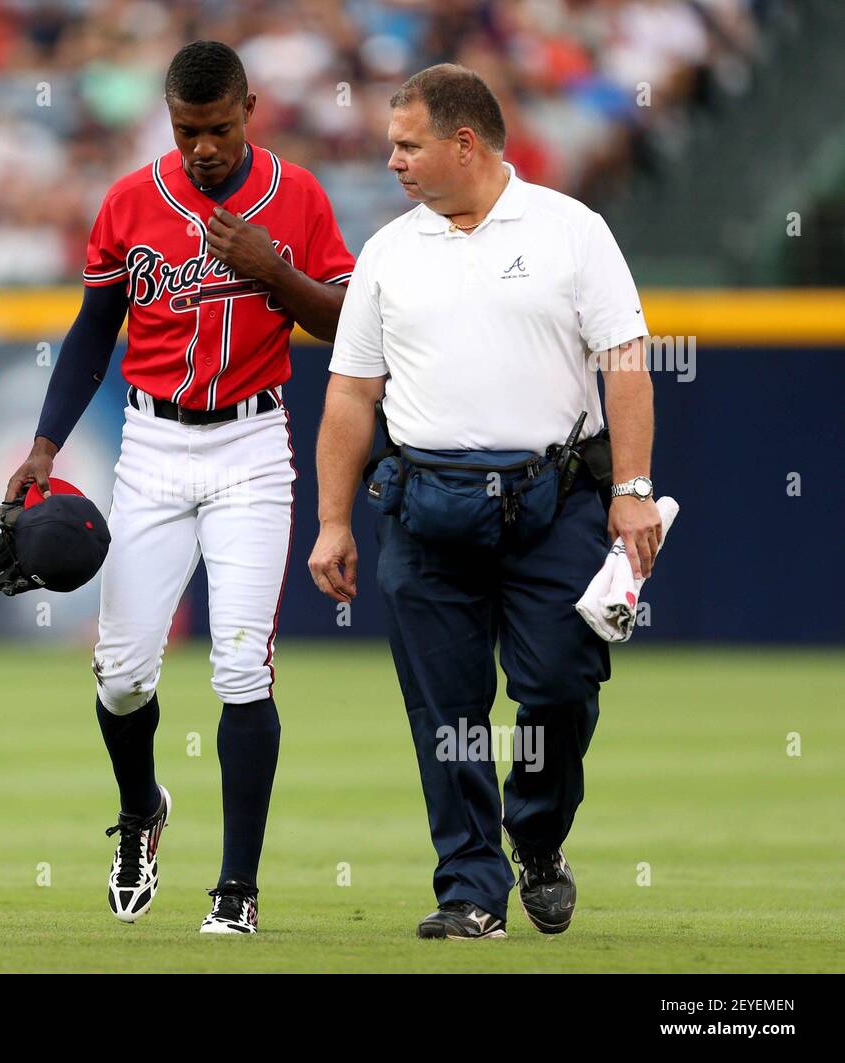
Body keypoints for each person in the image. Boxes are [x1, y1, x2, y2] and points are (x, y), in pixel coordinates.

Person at [5, 41, 353, 934]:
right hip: (153, 444)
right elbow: (92, 332)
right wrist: (46, 446)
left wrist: (273, 268)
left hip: (250, 442)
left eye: (219, 128)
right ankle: (141, 811)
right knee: (121, 675)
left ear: (250, 112)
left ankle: (236, 889)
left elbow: (349, 325)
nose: (202, 146)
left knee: (242, 665)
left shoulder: (299, 196)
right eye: (187, 128)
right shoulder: (130, 200)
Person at [309, 64, 661, 940]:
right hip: (426, 507)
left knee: (560, 685)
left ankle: (537, 835)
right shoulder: (389, 250)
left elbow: (626, 362)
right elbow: (351, 393)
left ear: (464, 143)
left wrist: (632, 489)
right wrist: (330, 519)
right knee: (447, 711)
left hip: (554, 503)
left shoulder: (571, 230)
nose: (391, 160)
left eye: (407, 143)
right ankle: (470, 887)